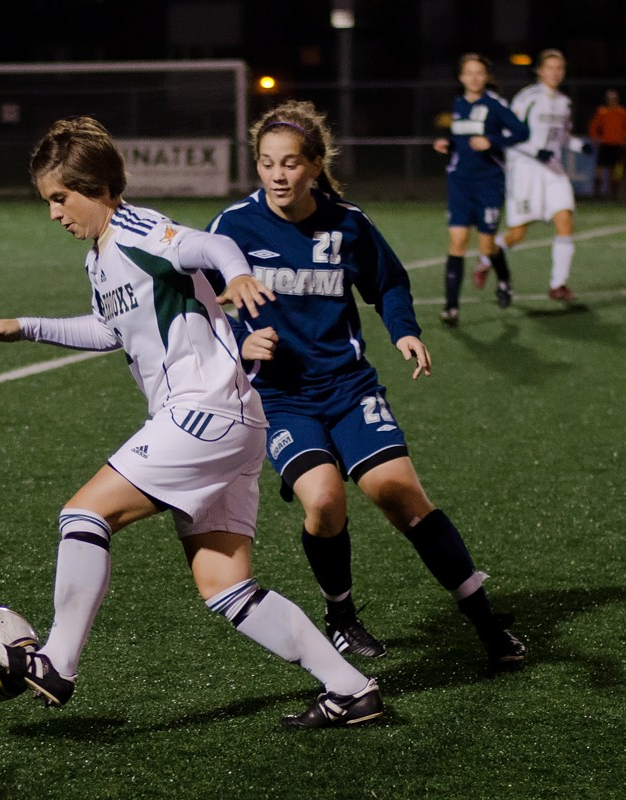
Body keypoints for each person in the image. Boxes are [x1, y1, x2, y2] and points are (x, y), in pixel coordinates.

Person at [0, 115, 383, 729]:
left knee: (84, 514)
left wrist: (236, 271)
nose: (55, 213)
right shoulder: (100, 258)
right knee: (225, 586)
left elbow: (205, 246)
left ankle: (57, 659)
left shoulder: (136, 228)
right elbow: (108, 330)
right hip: (227, 422)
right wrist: (22, 326)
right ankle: (351, 689)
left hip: (204, 411)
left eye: (60, 198)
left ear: (97, 186)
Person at [206, 99, 526, 671]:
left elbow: (391, 283)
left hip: (349, 388)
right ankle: (342, 617)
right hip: (279, 398)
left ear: (314, 165)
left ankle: (486, 623)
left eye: (290, 163)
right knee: (325, 501)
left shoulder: (348, 223)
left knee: (402, 497)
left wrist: (404, 331)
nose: (278, 175)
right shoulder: (231, 228)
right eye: (266, 163)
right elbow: (195, 305)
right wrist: (237, 338)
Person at [432, 53, 529, 324]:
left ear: (486, 77)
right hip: (460, 182)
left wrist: (492, 141)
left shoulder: (495, 104)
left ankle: (505, 280)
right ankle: (451, 307)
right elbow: (461, 139)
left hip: (488, 183)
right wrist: (448, 145)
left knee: (487, 247)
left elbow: (522, 132)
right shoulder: (459, 103)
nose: (474, 78)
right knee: (458, 242)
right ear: (461, 77)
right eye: (469, 73)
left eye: (479, 73)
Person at [495, 49, 591, 303]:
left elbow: (563, 138)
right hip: (525, 170)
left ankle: (558, 284)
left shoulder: (563, 102)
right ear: (539, 70)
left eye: (560, 68)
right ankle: (487, 257)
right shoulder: (527, 98)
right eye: (550, 67)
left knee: (565, 218)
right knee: (517, 233)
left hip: (552, 169)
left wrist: (581, 146)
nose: (555, 73)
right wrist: (534, 151)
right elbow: (508, 135)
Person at [588, 88, 626, 200]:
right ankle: (597, 193)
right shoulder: (602, 111)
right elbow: (593, 125)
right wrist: (595, 137)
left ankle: (614, 193)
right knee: (599, 168)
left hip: (618, 145)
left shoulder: (622, 112)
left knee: (616, 170)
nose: (612, 101)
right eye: (609, 99)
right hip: (605, 144)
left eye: (614, 98)